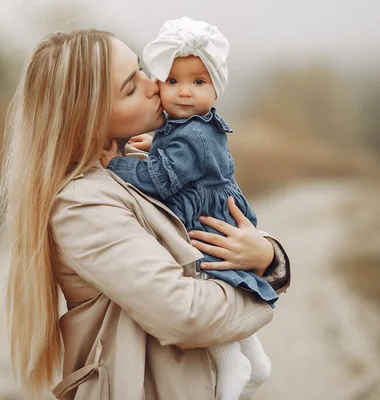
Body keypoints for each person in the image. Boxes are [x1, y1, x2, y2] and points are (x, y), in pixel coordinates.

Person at [0, 28, 290, 400]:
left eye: (139, 69)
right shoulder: (82, 206)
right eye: (130, 87)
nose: (154, 84)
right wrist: (267, 278)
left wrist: (268, 256)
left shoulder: (136, 168)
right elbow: (186, 313)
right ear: (87, 117)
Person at [102, 17, 274, 400]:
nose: (183, 93)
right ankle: (254, 361)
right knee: (225, 283)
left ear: (216, 87)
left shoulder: (194, 133)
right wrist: (155, 148)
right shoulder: (192, 126)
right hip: (212, 212)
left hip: (204, 223)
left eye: (198, 83)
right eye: (173, 81)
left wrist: (116, 164)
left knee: (209, 279)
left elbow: (162, 180)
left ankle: (235, 363)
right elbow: (173, 159)